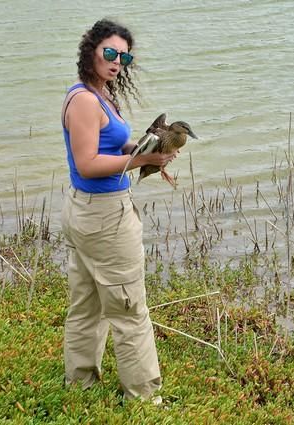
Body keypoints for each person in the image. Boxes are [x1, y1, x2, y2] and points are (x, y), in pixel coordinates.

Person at [60, 18, 175, 404]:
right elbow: (88, 163)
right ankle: (144, 398)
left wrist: (145, 153)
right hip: (103, 215)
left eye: (124, 57)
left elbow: (112, 149)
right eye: (110, 53)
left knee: (88, 303)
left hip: (90, 212)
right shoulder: (83, 101)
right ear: (91, 49)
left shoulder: (101, 95)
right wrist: (138, 161)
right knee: (129, 309)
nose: (116, 62)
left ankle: (80, 384)